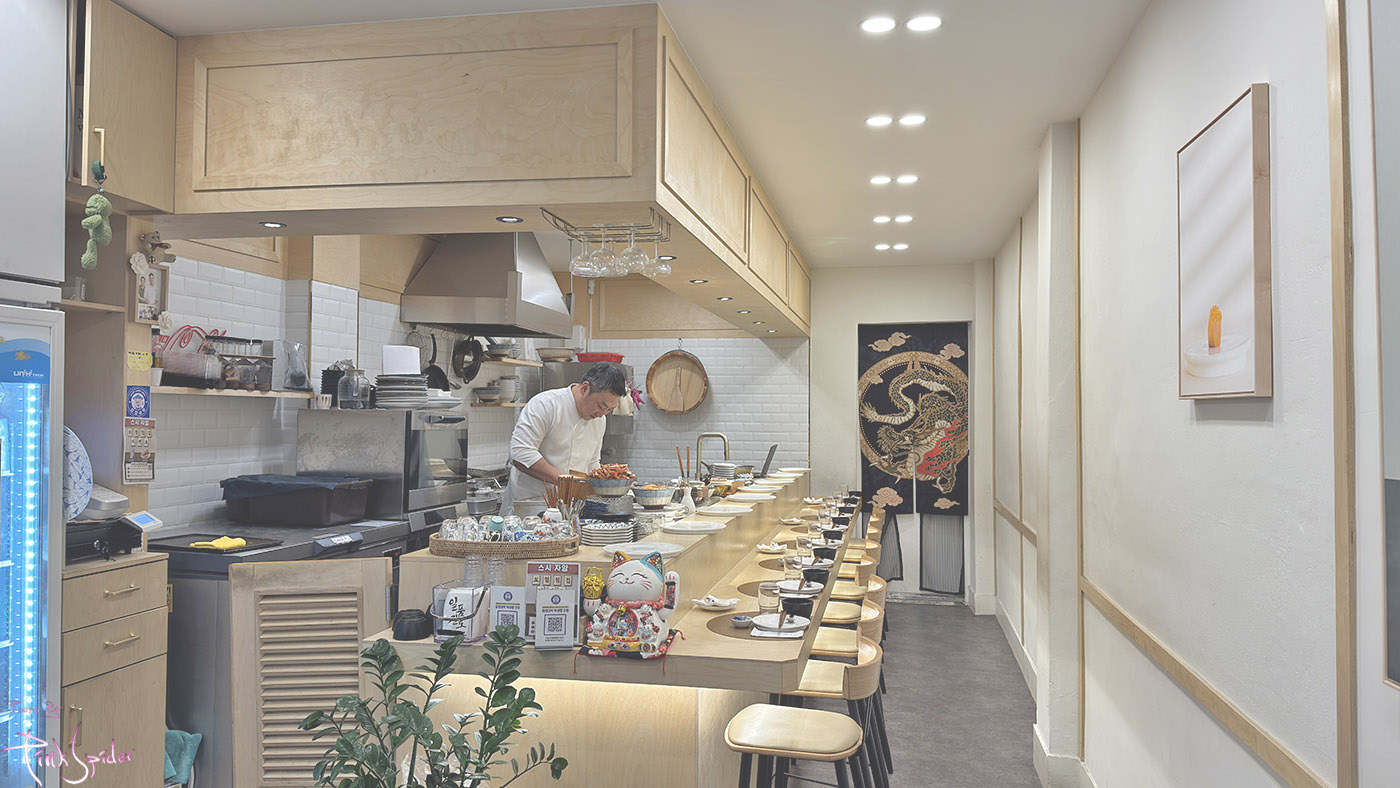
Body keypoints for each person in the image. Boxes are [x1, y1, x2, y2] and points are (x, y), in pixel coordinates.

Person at [502, 362, 626, 511]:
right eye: (601, 406)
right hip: (531, 506)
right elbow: (520, 453)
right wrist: (566, 482)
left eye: (609, 410)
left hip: (573, 508)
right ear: (584, 388)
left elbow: (592, 463)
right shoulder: (545, 404)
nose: (602, 414)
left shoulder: (600, 420)